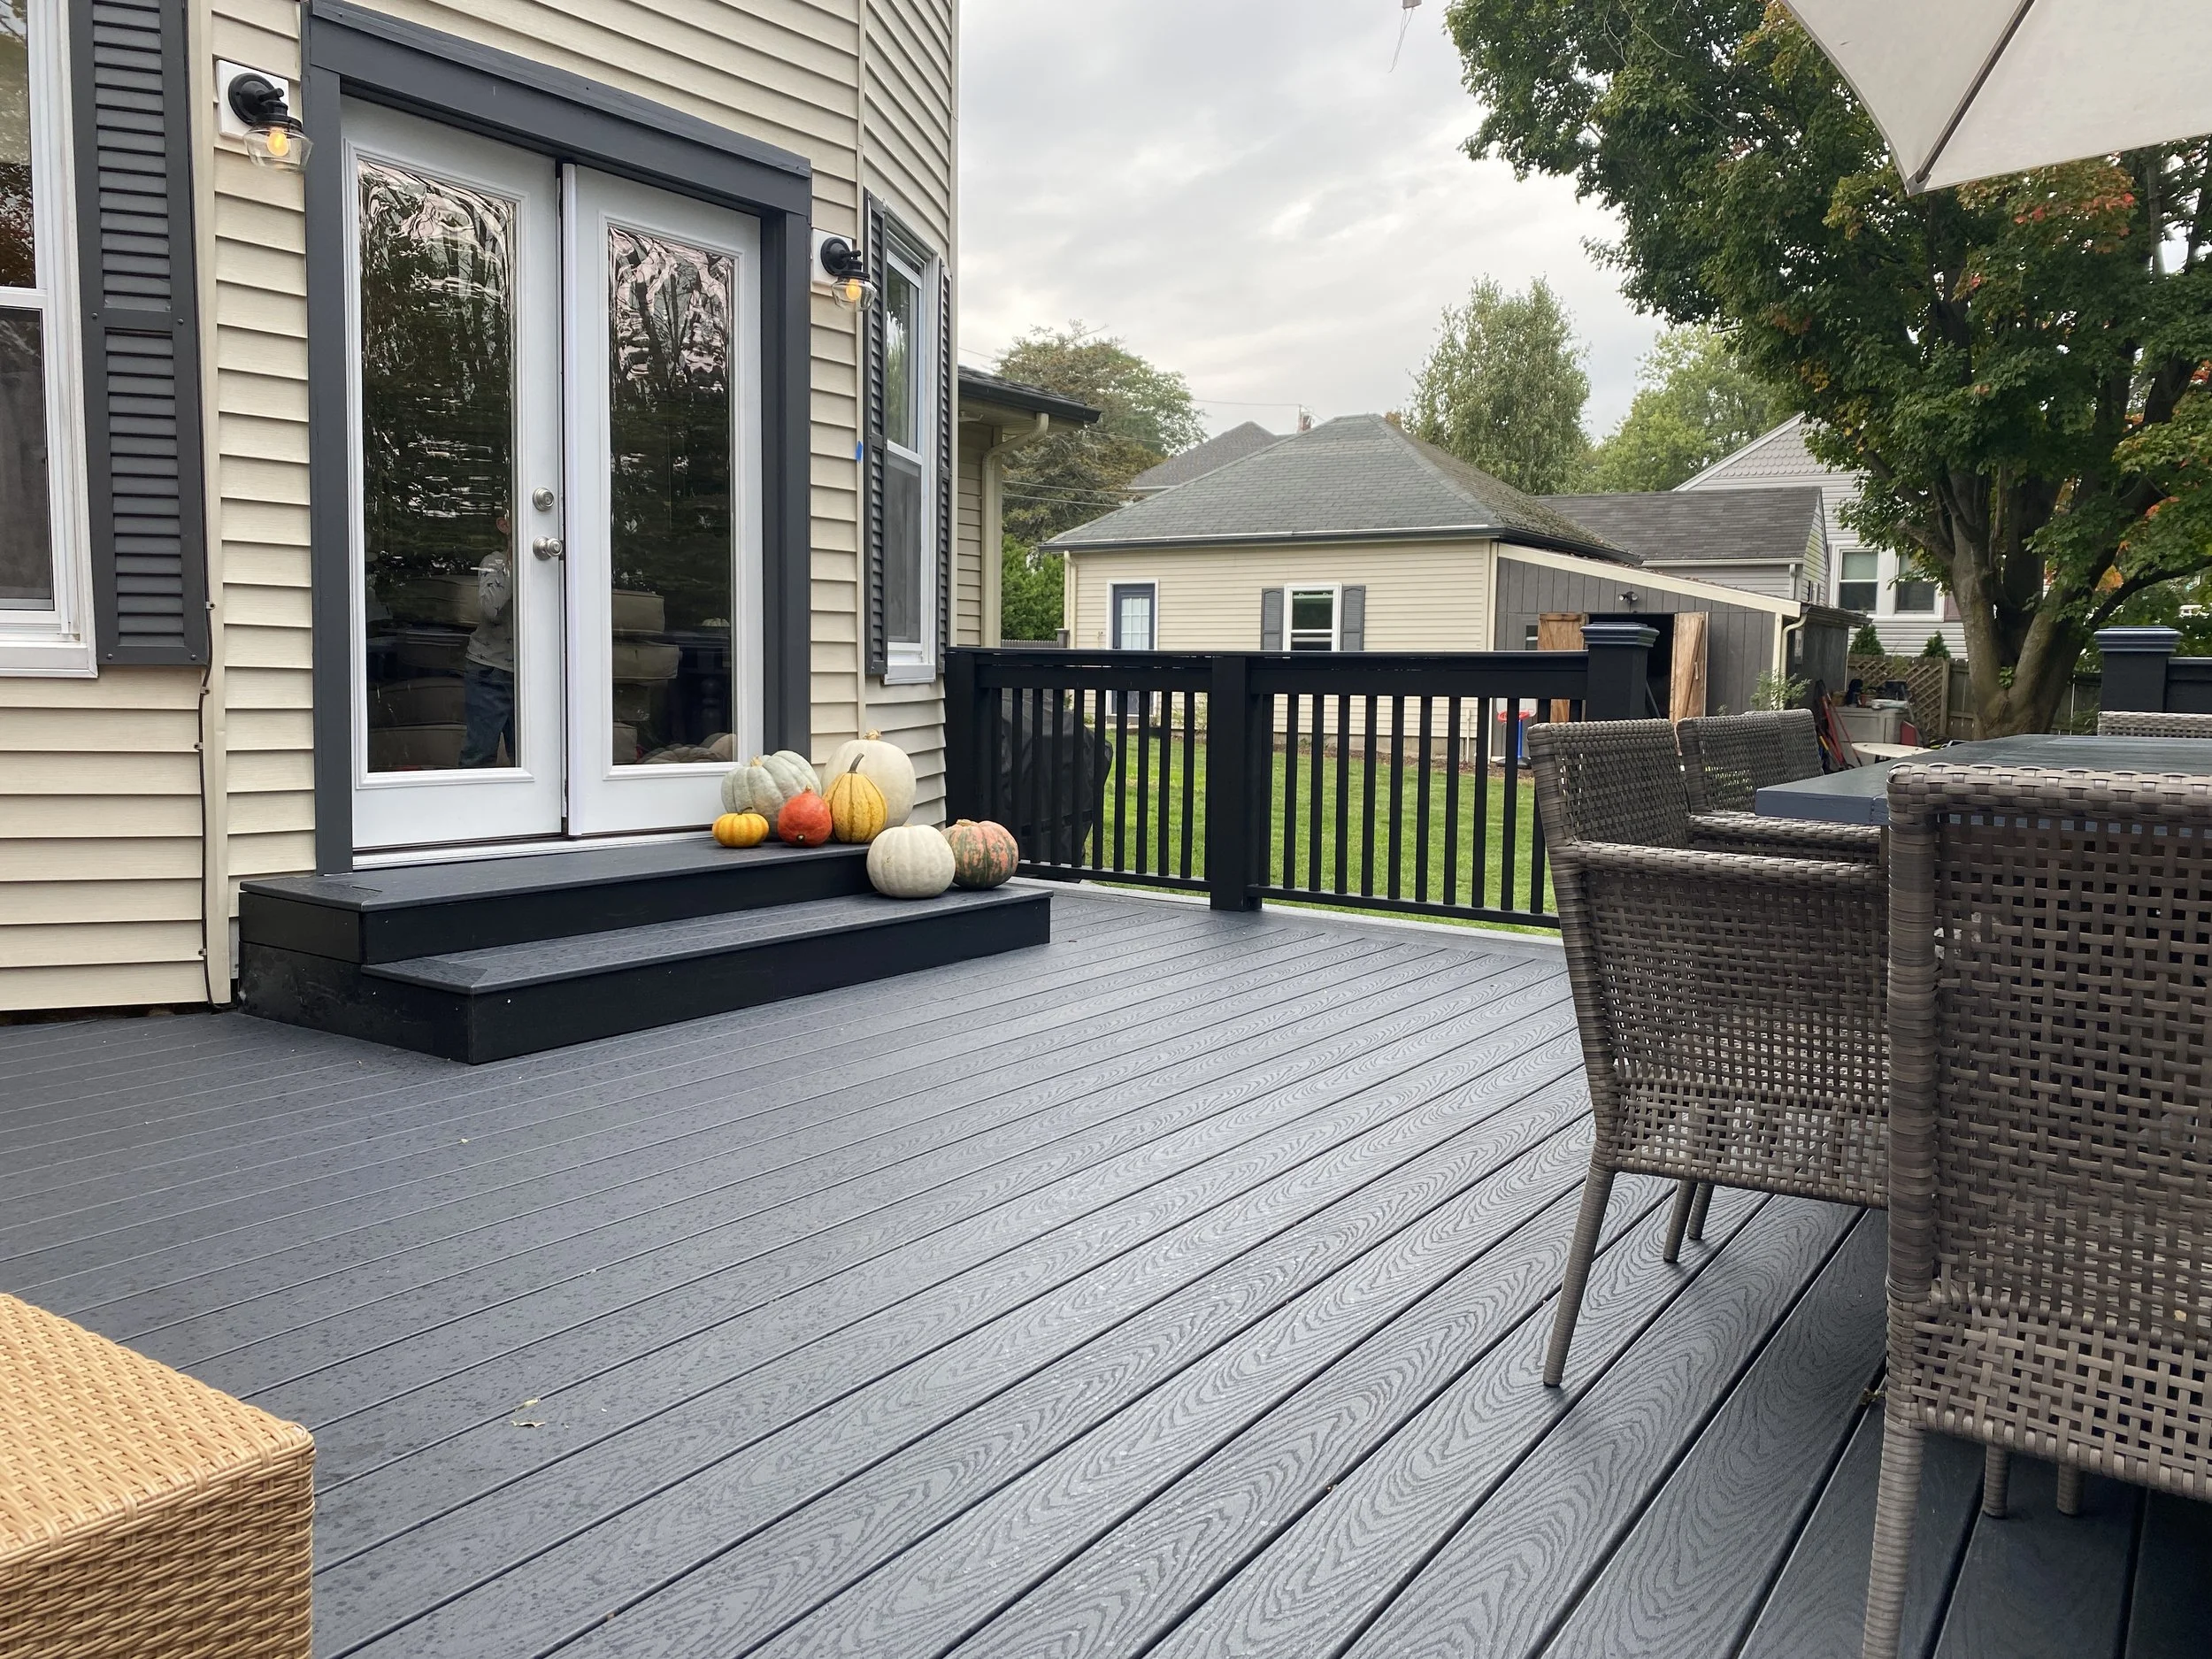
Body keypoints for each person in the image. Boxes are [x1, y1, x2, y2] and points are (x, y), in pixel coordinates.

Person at [459, 521, 516, 768]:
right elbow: (490, 608)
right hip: (490, 668)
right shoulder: (494, 563)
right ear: (504, 526)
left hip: (533, 673)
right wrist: (513, 563)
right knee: (479, 752)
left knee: (531, 756)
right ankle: (472, 803)